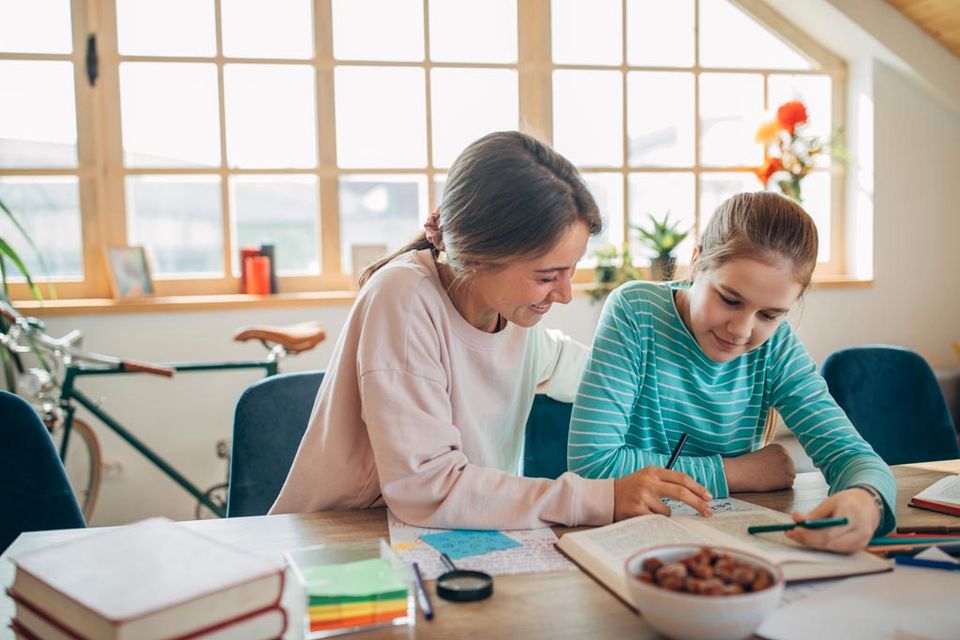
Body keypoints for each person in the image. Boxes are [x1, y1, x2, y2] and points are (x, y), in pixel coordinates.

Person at [270, 131, 712, 529]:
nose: (564, 295)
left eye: (571, 270)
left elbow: (587, 373)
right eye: (546, 276)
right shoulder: (403, 298)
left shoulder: (516, 318)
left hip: (439, 536)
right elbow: (430, 488)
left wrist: (681, 383)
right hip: (343, 543)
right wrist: (602, 497)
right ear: (478, 257)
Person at [568, 192, 895, 552]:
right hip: (623, 544)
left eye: (769, 315)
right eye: (729, 299)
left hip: (726, 546)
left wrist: (867, 501)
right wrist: (738, 472)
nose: (741, 330)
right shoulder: (635, 311)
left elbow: (852, 456)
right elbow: (593, 465)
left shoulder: (776, 348)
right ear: (696, 263)